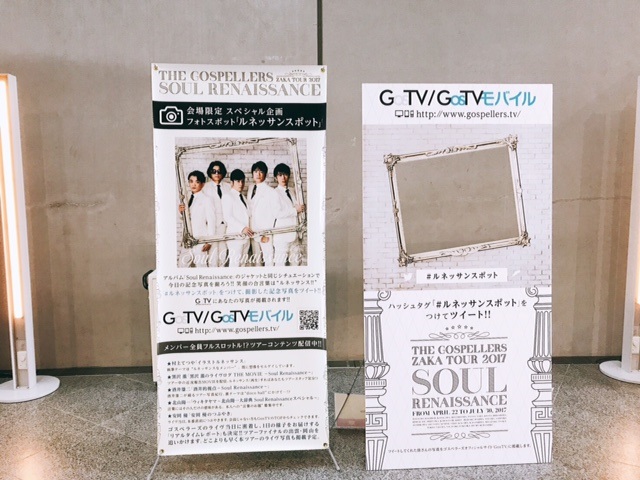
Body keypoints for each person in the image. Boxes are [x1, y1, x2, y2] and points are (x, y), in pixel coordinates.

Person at [273, 163, 305, 266]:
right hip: (282, 235)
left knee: (295, 264)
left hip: (294, 235)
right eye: (280, 175)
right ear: (276, 178)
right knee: (280, 265)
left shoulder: (291, 191)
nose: (283, 178)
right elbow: (277, 213)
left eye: (285, 174)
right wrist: (295, 210)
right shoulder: (274, 193)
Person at [248, 161, 278, 266]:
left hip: (265, 231)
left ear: (265, 174)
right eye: (256, 171)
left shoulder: (271, 191)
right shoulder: (251, 188)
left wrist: (265, 233)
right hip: (252, 231)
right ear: (252, 173)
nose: (258, 174)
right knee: (257, 261)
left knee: (269, 260)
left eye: (261, 171)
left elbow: (273, 214)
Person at [183, 170, 216, 267]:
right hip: (187, 240)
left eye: (197, 182)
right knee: (182, 265)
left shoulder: (207, 200)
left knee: (201, 267)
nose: (193, 184)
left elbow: (211, 221)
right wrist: (181, 212)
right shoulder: (186, 199)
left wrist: (209, 241)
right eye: (191, 181)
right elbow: (186, 219)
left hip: (200, 240)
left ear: (202, 184)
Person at [222, 169, 253, 267]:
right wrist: (242, 228)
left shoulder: (243, 197)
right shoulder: (227, 196)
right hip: (235, 237)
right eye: (238, 181)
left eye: (242, 181)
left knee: (242, 264)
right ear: (232, 182)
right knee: (235, 265)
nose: (241, 184)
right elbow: (228, 216)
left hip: (246, 237)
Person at [202, 160, 231, 267]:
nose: (216, 173)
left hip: (226, 226)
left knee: (223, 254)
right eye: (214, 171)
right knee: (213, 255)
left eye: (219, 171)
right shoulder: (205, 187)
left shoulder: (228, 187)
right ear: (210, 172)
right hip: (211, 226)